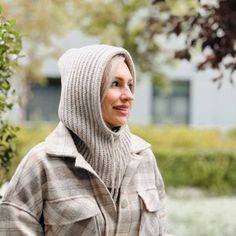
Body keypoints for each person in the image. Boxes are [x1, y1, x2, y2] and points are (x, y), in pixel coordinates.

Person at [0, 44, 170, 235]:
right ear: (86, 91)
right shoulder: (41, 164)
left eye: (130, 85)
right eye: (116, 84)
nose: (129, 95)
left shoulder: (144, 158)